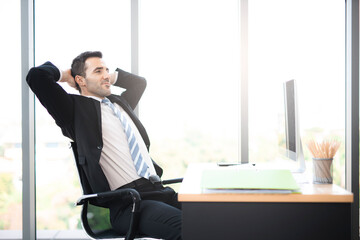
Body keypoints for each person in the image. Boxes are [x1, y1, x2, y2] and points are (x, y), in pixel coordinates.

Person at [26, 51, 182, 240]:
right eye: (98, 71)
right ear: (81, 80)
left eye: (107, 70)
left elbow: (138, 83)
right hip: (130, 203)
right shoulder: (74, 111)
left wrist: (105, 76)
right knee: (192, 228)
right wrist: (68, 75)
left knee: (219, 216)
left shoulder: (120, 104)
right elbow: (36, 76)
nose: (106, 75)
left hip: (159, 190)